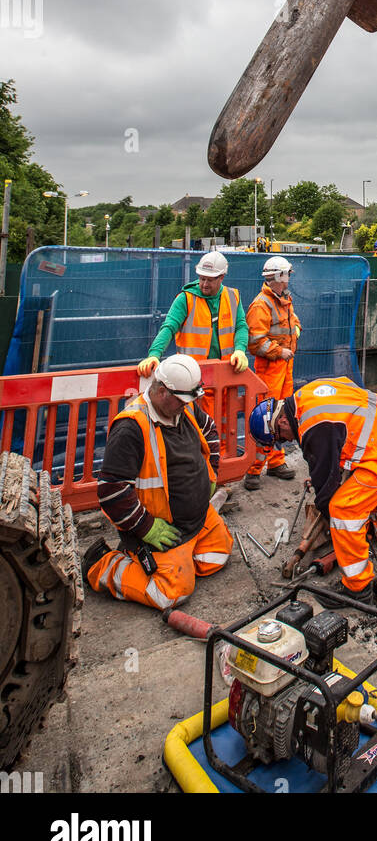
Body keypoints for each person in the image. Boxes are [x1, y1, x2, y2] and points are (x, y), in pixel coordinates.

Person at [251, 379, 377, 597]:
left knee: (343, 511)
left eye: (280, 439)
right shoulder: (307, 394)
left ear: (282, 422)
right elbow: (350, 394)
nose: (286, 442)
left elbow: (326, 489)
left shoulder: (311, 428)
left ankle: (357, 586)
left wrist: (330, 518)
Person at [81, 356, 232, 610]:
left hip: (197, 519)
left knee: (217, 556)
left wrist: (211, 475)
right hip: (161, 526)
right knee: (171, 593)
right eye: (183, 401)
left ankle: (175, 560)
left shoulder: (185, 408)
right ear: (162, 391)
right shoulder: (131, 427)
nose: (188, 406)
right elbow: (111, 490)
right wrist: (146, 527)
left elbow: (209, 430)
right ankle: (104, 565)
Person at [137, 252, 249, 412]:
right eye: (202, 278)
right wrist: (154, 354)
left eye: (210, 280)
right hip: (194, 379)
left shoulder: (232, 296)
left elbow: (241, 326)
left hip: (225, 374)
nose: (204, 284)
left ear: (222, 277)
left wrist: (240, 350)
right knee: (199, 420)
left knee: (223, 418)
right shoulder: (186, 299)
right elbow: (169, 327)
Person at [244, 255, 302, 490]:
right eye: (286, 275)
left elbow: (294, 322)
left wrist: (296, 330)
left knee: (282, 418)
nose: (288, 280)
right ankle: (253, 470)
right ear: (278, 276)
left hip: (285, 370)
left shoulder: (283, 300)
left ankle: (276, 462)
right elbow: (255, 342)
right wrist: (279, 352)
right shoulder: (261, 305)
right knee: (265, 418)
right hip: (269, 372)